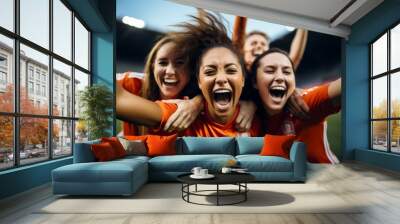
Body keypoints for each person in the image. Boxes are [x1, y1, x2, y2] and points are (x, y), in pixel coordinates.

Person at [117, 13, 260, 137]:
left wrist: (252, 104)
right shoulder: (180, 109)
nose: (170, 71)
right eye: (162, 62)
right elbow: (109, 92)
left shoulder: (257, 115)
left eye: (179, 63)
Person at [251, 48, 341, 163]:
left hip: (327, 177)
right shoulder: (248, 117)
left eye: (287, 72)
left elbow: (348, 83)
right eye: (270, 71)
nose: (280, 77)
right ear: (254, 82)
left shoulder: (303, 104)